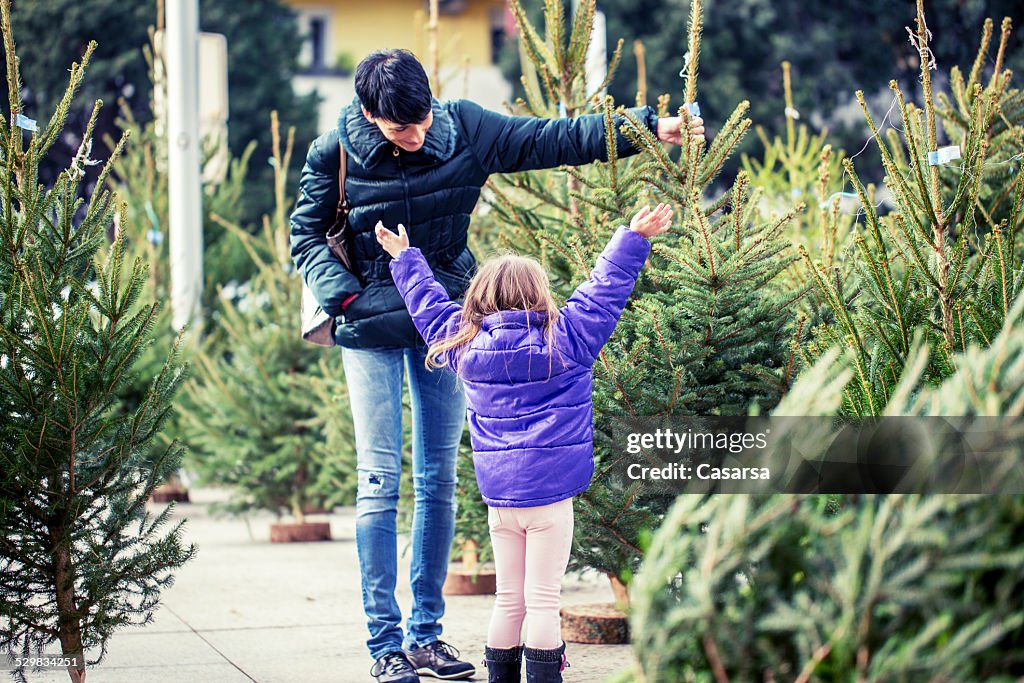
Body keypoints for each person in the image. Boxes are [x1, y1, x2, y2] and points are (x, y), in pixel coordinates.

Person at [289, 47, 702, 683]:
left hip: (453, 324)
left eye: (423, 118)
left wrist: (647, 127)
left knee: (436, 478)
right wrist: (346, 296)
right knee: (379, 479)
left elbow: (552, 138)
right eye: (403, 127)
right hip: (369, 324)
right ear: (370, 115)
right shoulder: (333, 153)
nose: (419, 133)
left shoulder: (464, 129)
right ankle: (385, 644)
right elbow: (306, 234)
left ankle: (426, 636)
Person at [375, 203, 673, 683]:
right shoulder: (568, 339)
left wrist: (406, 256)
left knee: (509, 599)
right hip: (551, 500)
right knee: (543, 601)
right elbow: (603, 292)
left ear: (480, 298)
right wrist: (633, 237)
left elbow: (428, 307)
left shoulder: (464, 347)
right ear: (539, 296)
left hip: (501, 502)